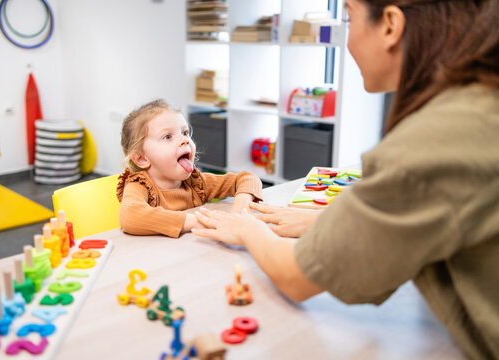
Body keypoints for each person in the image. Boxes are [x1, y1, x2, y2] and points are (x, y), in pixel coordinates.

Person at [192, 0, 499, 359]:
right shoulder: (478, 105)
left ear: (389, 25)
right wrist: (326, 221)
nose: (347, 41)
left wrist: (246, 229)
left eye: (349, 17)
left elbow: (296, 276)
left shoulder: (441, 136)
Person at [117, 99, 263, 238]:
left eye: (185, 132)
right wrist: (197, 222)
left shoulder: (196, 183)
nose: (184, 140)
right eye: (167, 137)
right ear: (142, 159)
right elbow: (129, 216)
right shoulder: (140, 186)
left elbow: (248, 178)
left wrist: (240, 210)